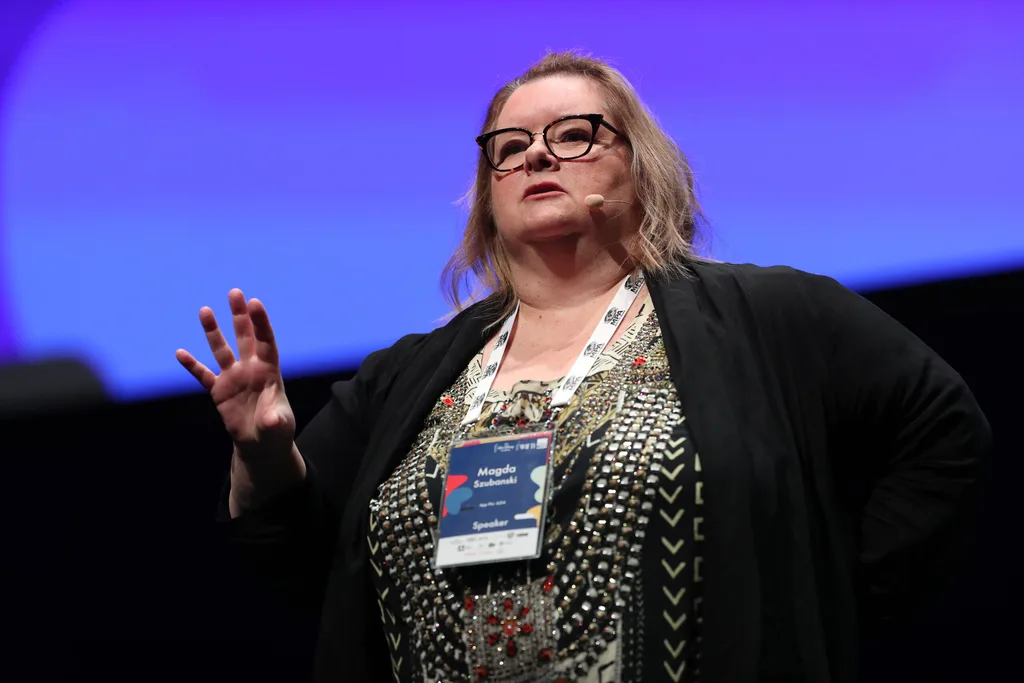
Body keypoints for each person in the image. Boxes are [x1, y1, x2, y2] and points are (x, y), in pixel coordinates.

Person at [176, 52, 991, 683]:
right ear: (488, 192)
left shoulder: (770, 314)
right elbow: (298, 557)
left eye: (573, 135)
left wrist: (823, 599)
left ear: (640, 164)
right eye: (510, 147)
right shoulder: (408, 376)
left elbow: (942, 430)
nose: (538, 156)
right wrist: (263, 452)